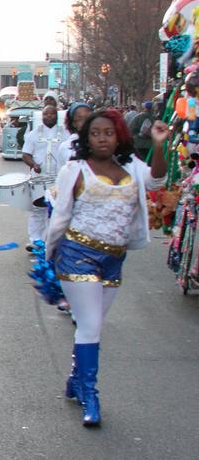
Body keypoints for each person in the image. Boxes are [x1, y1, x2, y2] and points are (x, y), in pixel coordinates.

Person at [46, 111, 168, 427]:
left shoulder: (131, 167)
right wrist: (50, 254)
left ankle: (75, 379)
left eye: (109, 133)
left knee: (94, 322)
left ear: (119, 137)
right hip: (77, 255)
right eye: (96, 133)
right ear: (86, 138)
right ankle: (90, 395)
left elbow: (157, 180)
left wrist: (159, 145)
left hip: (114, 257)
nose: (102, 138)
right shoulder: (75, 169)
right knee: (89, 325)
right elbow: (59, 216)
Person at [21, 104, 67, 249]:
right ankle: (35, 240)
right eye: (46, 115)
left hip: (59, 179)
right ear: (42, 117)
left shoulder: (65, 134)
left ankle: (50, 241)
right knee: (38, 209)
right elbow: (26, 154)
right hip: (39, 179)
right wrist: (33, 164)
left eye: (52, 114)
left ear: (56, 116)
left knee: (54, 211)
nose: (48, 117)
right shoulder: (33, 134)